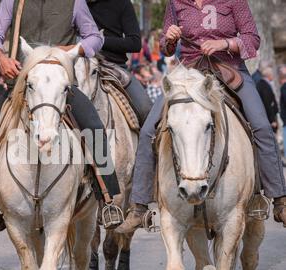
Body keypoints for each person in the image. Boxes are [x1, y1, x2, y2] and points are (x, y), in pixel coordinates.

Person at [116, 0, 286, 233]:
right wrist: (171, 39)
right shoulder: (176, 3)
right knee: (147, 130)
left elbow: (252, 39)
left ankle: (279, 199)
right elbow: (166, 47)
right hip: (188, 73)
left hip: (230, 69)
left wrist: (224, 43)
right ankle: (138, 206)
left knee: (262, 127)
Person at [0, 0, 122, 240]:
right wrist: (1, 58)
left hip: (61, 88)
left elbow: (95, 38)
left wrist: (70, 50)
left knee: (95, 128)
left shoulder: (75, 2)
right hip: (23, 88)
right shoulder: (13, 2)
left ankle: (107, 199)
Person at [86, 0, 153, 124]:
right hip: (83, 66)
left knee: (146, 109)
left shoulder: (122, 3)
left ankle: (147, 142)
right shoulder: (76, 4)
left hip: (115, 67)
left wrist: (100, 41)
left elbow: (135, 42)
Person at [256, 65, 279, 131]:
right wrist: (272, 120)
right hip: (269, 119)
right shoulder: (264, 86)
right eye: (272, 74)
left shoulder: (262, 84)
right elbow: (268, 103)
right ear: (268, 75)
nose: (273, 76)